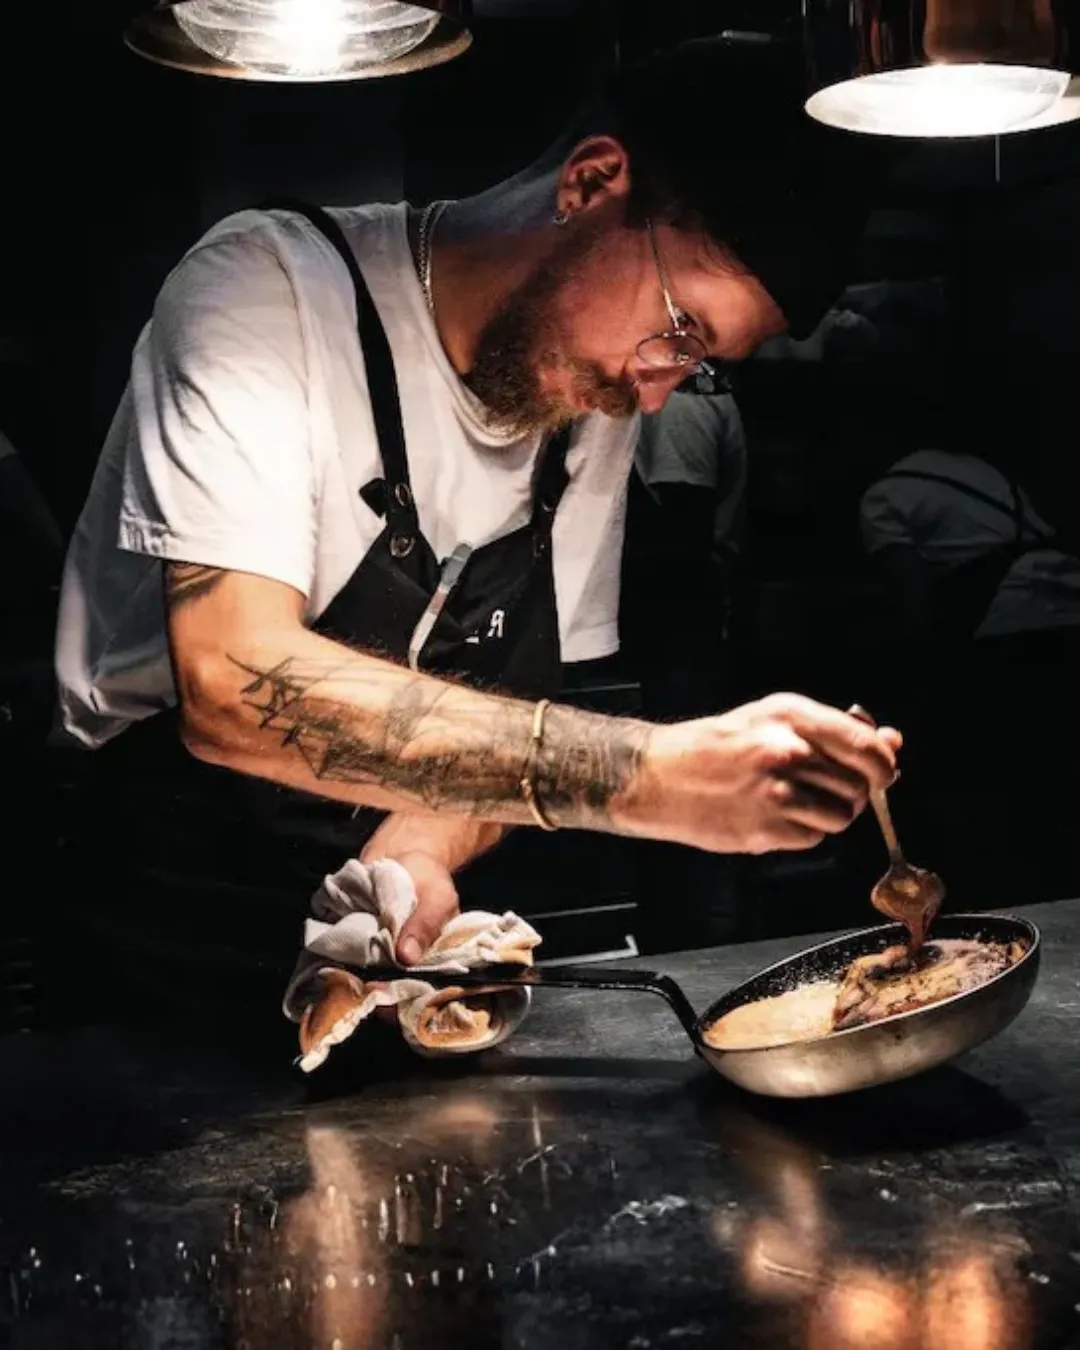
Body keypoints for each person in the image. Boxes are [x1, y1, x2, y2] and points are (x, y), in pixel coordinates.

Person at [55, 39, 901, 1032]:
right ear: (592, 183)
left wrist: (422, 844)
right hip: (162, 924)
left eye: (698, 364)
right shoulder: (265, 290)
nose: (656, 390)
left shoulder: (588, 392)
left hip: (379, 953)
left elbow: (516, 704)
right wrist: (648, 776)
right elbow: (232, 682)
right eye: (682, 328)